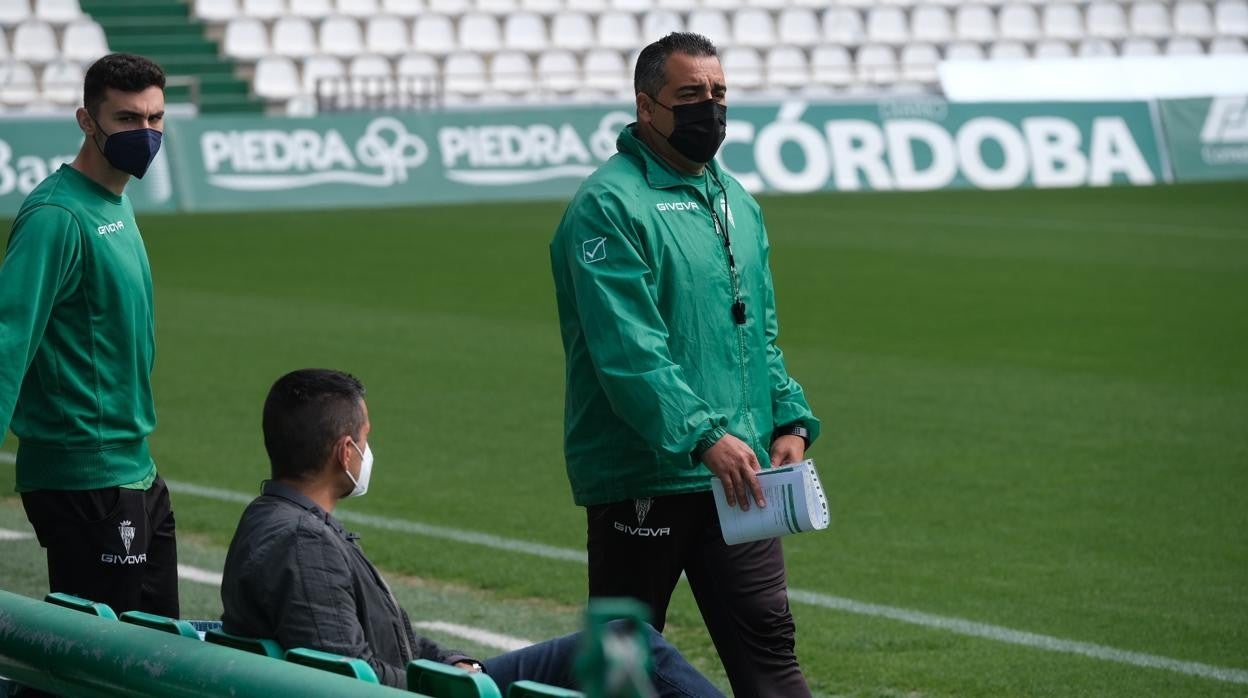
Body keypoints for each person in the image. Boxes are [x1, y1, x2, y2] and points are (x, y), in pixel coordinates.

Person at [549, 33, 820, 698]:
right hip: (646, 472)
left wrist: (789, 416)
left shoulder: (735, 199)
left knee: (769, 648)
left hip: (740, 473)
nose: (710, 110)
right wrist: (702, 435)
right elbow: (628, 353)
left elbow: (756, 330)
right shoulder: (607, 206)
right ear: (647, 107)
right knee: (623, 664)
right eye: (690, 96)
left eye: (719, 94)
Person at [221, 368, 724, 696]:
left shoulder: (277, 520)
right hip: (425, 693)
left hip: (431, 683)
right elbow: (345, 677)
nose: (369, 453)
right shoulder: (302, 544)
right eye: (367, 439)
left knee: (618, 642)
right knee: (630, 643)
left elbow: (385, 641)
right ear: (344, 453)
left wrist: (455, 661)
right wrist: (449, 681)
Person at [0, 53, 177, 618]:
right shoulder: (57, 215)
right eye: (128, 119)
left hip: (134, 467)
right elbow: (9, 339)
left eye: (155, 119)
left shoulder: (115, 201)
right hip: (83, 477)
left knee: (158, 658)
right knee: (97, 671)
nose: (145, 133)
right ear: (87, 120)